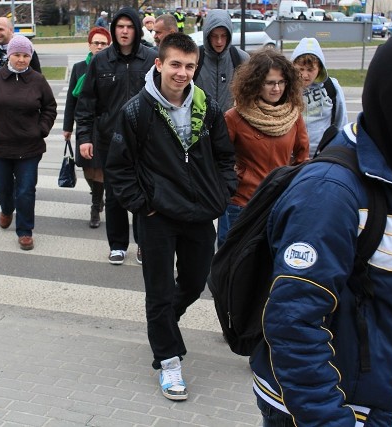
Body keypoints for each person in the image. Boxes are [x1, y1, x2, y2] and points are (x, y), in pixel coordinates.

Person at [250, 31, 392, 426]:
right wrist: (332, 420)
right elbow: (293, 323)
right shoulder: (331, 192)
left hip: (369, 403)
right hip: (323, 411)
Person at [106, 32, 237, 402]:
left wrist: (223, 191)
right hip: (157, 215)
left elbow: (226, 157)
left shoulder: (206, 106)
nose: (182, 73)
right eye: (175, 64)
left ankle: (161, 326)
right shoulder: (137, 110)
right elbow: (119, 168)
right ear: (159, 63)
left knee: (196, 283)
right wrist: (143, 204)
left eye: (189, 66)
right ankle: (168, 358)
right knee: (160, 292)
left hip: (198, 213)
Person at [75, 7, 158, 265]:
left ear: (136, 29)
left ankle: (145, 244)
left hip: (146, 142)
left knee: (146, 194)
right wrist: (84, 137)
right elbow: (86, 103)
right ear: (114, 29)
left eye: (129, 26)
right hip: (110, 141)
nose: (124, 31)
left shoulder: (151, 58)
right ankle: (118, 244)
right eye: (120, 26)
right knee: (114, 196)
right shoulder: (101, 61)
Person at [0, 36, 57, 251]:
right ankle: (7, 209)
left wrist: (41, 129)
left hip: (29, 147)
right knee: (0, 186)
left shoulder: (38, 80)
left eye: (26, 55)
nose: (21, 59)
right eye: (17, 55)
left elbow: (50, 108)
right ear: (9, 55)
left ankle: (25, 231)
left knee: (26, 190)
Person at [216, 49, 308, 247]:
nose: (276, 88)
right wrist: (229, 184)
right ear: (256, 84)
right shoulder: (235, 117)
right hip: (241, 203)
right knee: (231, 265)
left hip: (278, 203)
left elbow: (302, 157)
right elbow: (218, 158)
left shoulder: (294, 116)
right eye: (270, 82)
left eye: (281, 82)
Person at [63, 27, 111, 229]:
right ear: (89, 45)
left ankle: (95, 207)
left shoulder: (111, 65)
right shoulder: (79, 68)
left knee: (99, 167)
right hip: (84, 123)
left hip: (103, 125)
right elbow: (71, 100)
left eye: (103, 43)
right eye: (96, 43)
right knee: (86, 168)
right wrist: (67, 127)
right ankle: (97, 194)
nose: (99, 46)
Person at [291, 37, 348, 157]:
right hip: (291, 157)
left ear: (320, 69)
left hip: (322, 155)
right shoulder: (285, 87)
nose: (305, 75)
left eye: (310, 70)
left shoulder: (332, 87)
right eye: (300, 69)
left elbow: (341, 122)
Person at [194, 9, 250, 113]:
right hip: (200, 123)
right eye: (214, 36)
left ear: (229, 35)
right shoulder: (195, 57)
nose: (219, 41)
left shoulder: (241, 58)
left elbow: (250, 94)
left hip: (231, 124)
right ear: (207, 35)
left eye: (223, 35)